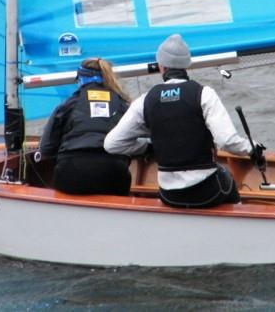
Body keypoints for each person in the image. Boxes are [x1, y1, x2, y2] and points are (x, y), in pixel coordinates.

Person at [104, 34, 256, 208]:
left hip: (170, 195)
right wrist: (252, 149)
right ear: (186, 64)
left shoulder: (145, 100)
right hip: (206, 191)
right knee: (227, 178)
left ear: (161, 66)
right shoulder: (204, 93)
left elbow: (112, 144)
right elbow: (227, 141)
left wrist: (148, 147)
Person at [38, 58, 132, 196]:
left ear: (80, 79)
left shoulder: (68, 105)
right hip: (114, 171)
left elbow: (46, 148)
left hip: (73, 170)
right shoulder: (123, 106)